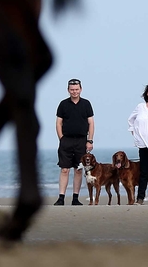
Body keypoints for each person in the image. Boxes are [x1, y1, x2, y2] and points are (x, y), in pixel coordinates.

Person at [54, 78, 95, 206]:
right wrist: (61, 138)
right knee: (64, 169)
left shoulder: (86, 104)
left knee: (78, 169)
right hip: (66, 140)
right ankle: (61, 197)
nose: (74, 92)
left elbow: (91, 123)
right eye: (72, 90)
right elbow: (58, 123)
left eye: (76, 89)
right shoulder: (63, 104)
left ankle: (75, 198)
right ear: (68, 90)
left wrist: (90, 140)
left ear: (80, 89)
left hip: (82, 140)